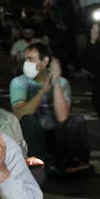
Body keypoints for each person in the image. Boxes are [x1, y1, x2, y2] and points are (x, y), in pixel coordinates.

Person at [10, 43, 91, 174]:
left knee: (77, 120)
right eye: (25, 59)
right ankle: (44, 164)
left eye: (31, 59)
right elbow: (20, 114)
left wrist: (56, 81)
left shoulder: (63, 82)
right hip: (34, 138)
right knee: (28, 120)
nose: (26, 63)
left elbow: (62, 117)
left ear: (45, 61)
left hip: (56, 134)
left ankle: (75, 163)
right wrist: (43, 91)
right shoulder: (19, 82)